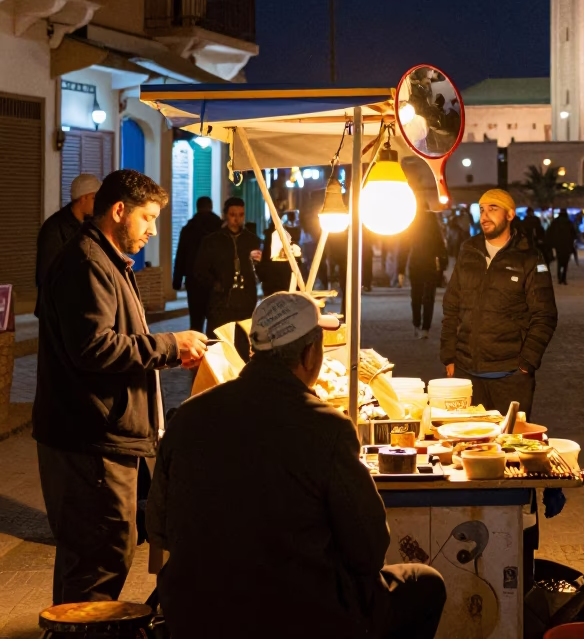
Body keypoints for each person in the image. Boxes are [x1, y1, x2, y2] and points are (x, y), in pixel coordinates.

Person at [147, 292, 446, 638]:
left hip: (195, 614)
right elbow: (368, 550)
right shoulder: (327, 426)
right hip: (297, 617)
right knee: (425, 584)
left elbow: (158, 528)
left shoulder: (187, 416)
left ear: (253, 351)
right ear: (309, 355)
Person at [33, 169, 207, 604]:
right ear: (118, 211)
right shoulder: (87, 263)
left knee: (94, 558)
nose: (151, 230)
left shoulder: (105, 259)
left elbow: (116, 341)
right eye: (147, 218)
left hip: (98, 435)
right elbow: (94, 348)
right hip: (89, 441)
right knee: (97, 561)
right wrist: (169, 344)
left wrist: (166, 353)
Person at [440, 188, 557, 419]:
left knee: (510, 446)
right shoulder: (469, 251)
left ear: (510, 215)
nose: (485, 215)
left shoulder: (529, 257)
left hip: (510, 376)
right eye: (482, 209)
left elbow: (544, 315)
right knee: (466, 445)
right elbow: (451, 305)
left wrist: (526, 363)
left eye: (493, 208)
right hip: (466, 374)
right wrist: (449, 356)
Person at [193, 197, 265, 337]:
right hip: (220, 302)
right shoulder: (212, 241)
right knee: (219, 341)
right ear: (225, 214)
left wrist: (259, 263)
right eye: (233, 214)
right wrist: (215, 285)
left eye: (241, 214)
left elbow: (263, 271)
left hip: (245, 301)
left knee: (243, 340)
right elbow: (199, 270)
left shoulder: (252, 240)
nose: (237, 219)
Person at [34, 172, 101, 315]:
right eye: (94, 198)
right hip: (57, 308)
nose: (98, 204)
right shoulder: (54, 227)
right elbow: (45, 274)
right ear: (83, 198)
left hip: (81, 304)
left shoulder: (90, 225)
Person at [171, 196, 222, 332]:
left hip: (194, 281)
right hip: (216, 281)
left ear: (197, 207)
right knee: (215, 322)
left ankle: (197, 350)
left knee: (196, 321)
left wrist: (177, 280)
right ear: (210, 206)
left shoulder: (189, 228)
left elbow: (181, 255)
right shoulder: (220, 226)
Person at [404, 200, 448, 339]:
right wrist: (443, 266)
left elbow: (404, 247)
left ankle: (417, 325)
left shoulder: (411, 223)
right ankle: (425, 328)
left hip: (415, 263)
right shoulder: (433, 224)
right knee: (429, 297)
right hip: (429, 264)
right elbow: (441, 248)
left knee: (416, 296)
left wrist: (400, 268)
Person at [547, 210, 577, 285]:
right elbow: (574, 234)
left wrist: (551, 243)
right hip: (567, 245)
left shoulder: (555, 222)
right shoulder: (569, 222)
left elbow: (549, 233)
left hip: (558, 245)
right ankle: (563, 277)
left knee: (559, 262)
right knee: (565, 262)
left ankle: (559, 277)